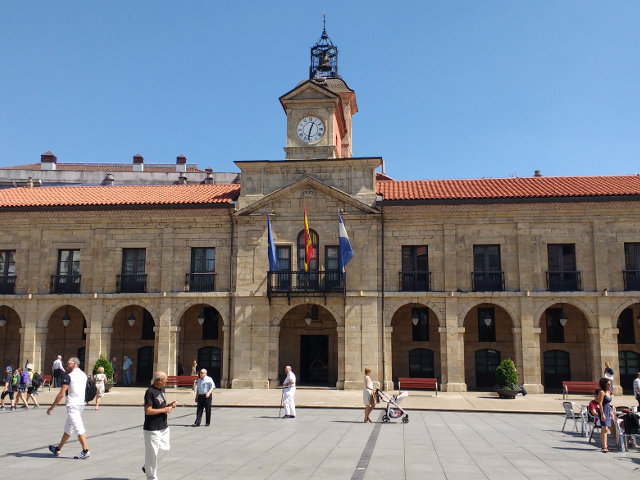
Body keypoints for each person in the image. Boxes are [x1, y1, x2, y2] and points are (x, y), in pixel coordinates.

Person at [47, 357, 91, 459]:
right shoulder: (83, 375)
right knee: (69, 428)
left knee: (78, 427)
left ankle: (85, 450)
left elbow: (61, 394)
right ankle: (58, 449)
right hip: (81, 404)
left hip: (73, 405)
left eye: (69, 363)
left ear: (75, 364)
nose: (67, 364)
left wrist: (51, 407)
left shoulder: (69, 376)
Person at [143, 371, 177, 479]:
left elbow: (160, 406)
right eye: (165, 380)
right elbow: (148, 411)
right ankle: (151, 477)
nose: (167, 382)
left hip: (163, 426)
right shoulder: (150, 392)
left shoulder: (162, 390)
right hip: (152, 428)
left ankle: (147, 466)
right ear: (159, 380)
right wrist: (164, 410)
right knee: (152, 455)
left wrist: (169, 406)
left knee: (165, 448)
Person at [597, 377, 615, 453]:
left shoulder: (608, 392)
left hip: (608, 410)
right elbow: (600, 403)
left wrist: (612, 406)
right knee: (605, 428)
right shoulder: (602, 392)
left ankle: (605, 445)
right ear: (604, 384)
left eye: (610, 384)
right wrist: (602, 414)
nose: (609, 386)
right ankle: (604, 446)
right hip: (603, 410)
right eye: (608, 384)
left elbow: (608, 402)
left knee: (606, 428)